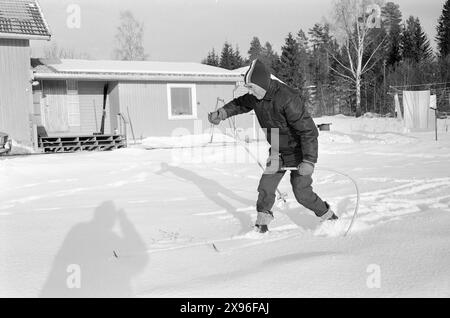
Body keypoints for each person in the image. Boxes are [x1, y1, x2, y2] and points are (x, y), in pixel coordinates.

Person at [208, 59, 338, 233]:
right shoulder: (256, 96)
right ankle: (262, 223)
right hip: (277, 146)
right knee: (266, 186)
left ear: (261, 84)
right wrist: (222, 113)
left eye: (251, 87)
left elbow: (308, 131)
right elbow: (240, 104)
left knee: (302, 193)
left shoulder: (287, 98)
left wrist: (309, 160)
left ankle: (328, 216)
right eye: (248, 87)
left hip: (299, 149)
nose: (249, 91)